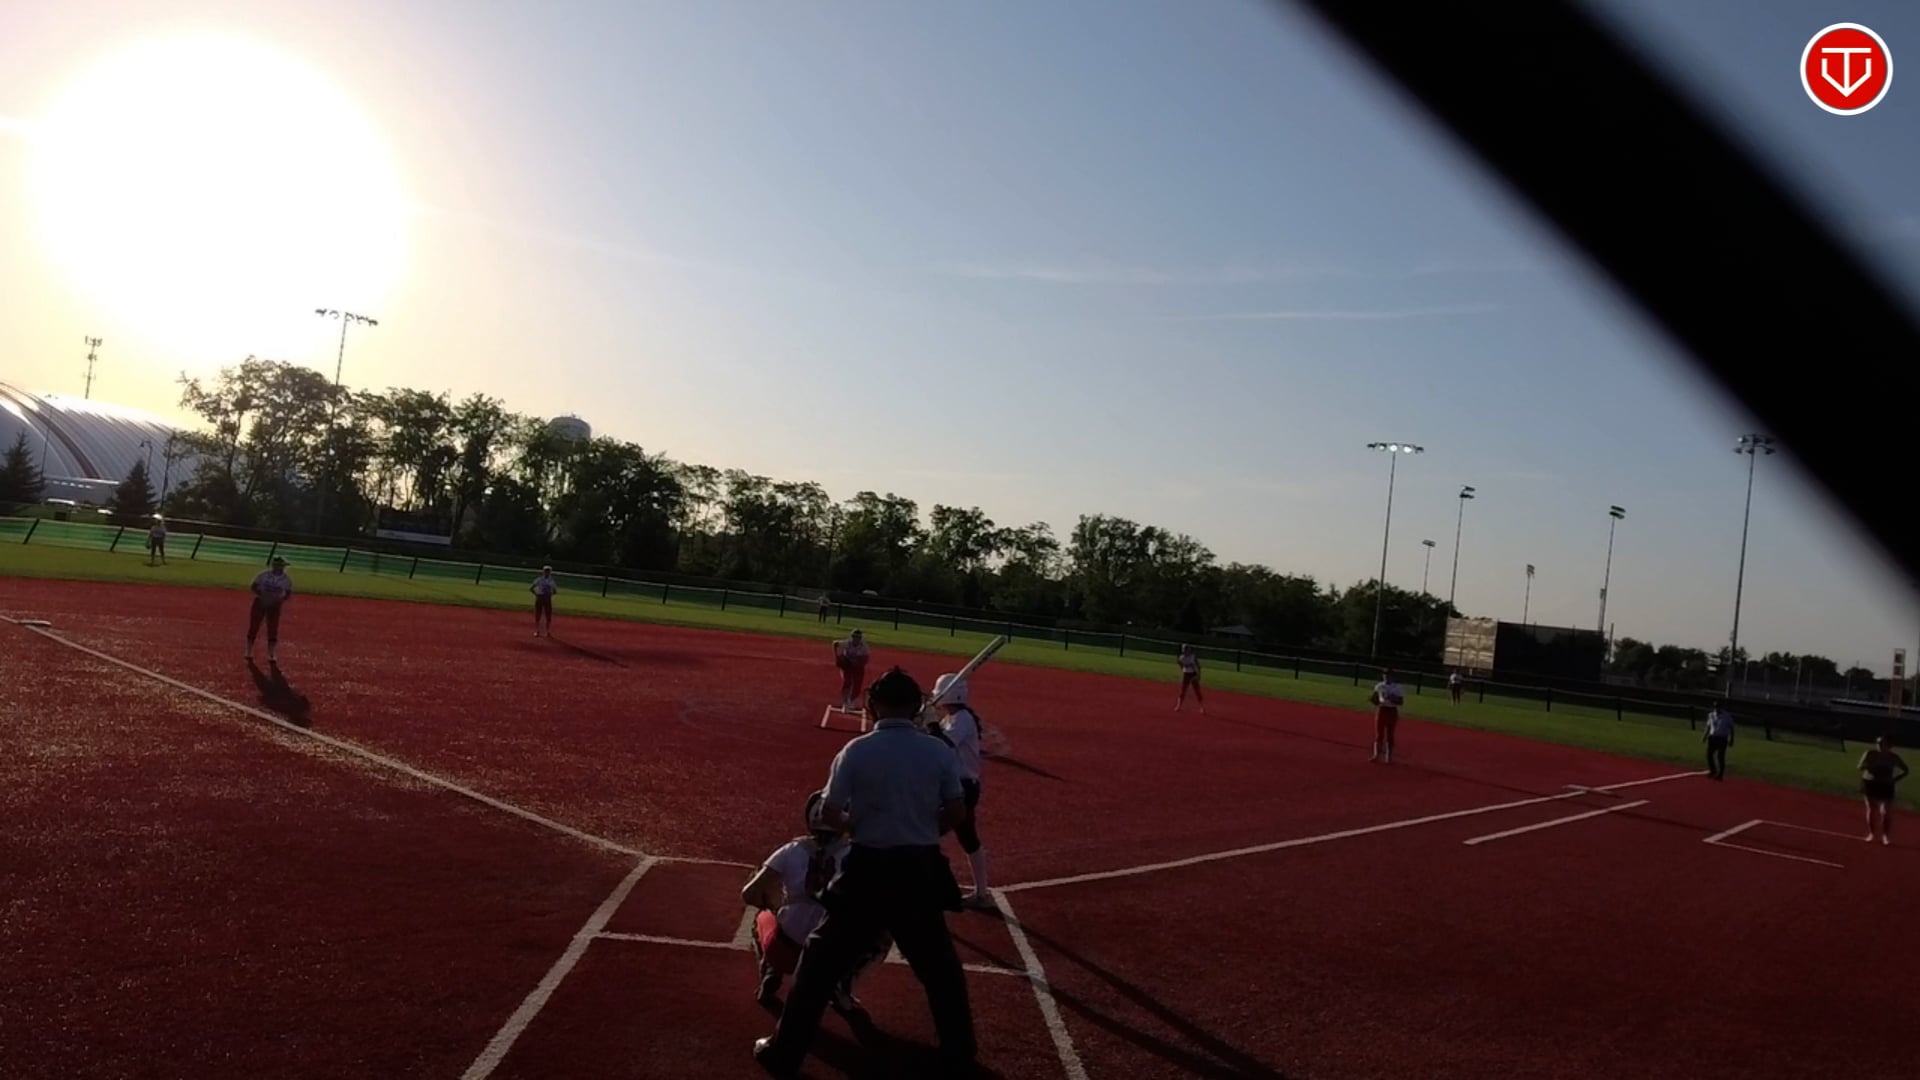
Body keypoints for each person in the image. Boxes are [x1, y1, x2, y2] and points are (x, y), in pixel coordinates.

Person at [754, 667, 975, 1078]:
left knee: (819, 964)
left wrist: (857, 826)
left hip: (868, 868)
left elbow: (830, 813)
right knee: (940, 970)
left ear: (873, 706)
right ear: (916, 706)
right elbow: (957, 812)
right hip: (920, 868)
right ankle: (959, 1057)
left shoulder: (856, 751)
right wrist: (923, 828)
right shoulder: (937, 752)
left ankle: (784, 1052)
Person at [739, 791, 887, 1014]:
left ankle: (771, 970)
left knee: (760, 917)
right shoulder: (857, 855)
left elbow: (749, 894)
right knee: (882, 934)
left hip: (786, 951)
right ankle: (843, 983)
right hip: (831, 957)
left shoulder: (790, 850)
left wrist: (776, 905)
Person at [930, 673, 993, 909]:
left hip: (963, 788)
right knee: (967, 837)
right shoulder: (952, 718)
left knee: (928, 832)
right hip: (956, 787)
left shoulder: (962, 720)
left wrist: (930, 723)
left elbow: (943, 744)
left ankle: (938, 887)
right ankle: (982, 893)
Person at [1859, 736, 1909, 845]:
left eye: (1882, 743)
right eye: (1878, 743)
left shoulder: (1893, 757)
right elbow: (1860, 767)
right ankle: (1872, 834)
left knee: (1886, 811)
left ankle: (1885, 836)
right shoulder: (1870, 754)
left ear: (1889, 745)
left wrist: (1895, 779)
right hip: (1871, 783)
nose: (1879, 746)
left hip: (1886, 785)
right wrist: (1869, 766)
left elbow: (1906, 770)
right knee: (1872, 809)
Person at [246, 556, 293, 663]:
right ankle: (249, 650)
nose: (280, 568)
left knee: (272, 628)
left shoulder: (286, 580)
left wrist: (279, 600)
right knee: (254, 625)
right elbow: (254, 586)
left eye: (282, 566)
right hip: (260, 602)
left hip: (275, 605)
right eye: (279, 565)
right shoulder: (263, 575)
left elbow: (288, 593)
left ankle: (271, 653)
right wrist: (262, 595)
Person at [1369, 668, 1404, 764]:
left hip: (1392, 711)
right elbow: (1375, 699)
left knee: (1390, 735)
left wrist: (1392, 698)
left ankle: (1388, 757)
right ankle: (1376, 755)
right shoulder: (1379, 686)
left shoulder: (1397, 687)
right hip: (1382, 710)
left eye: (1388, 675)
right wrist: (1373, 699)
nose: (1386, 677)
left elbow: (1400, 701)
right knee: (1379, 734)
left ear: (1392, 677)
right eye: (1384, 675)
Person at [832, 629, 870, 710]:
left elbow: (865, 660)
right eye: (854, 637)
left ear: (860, 638)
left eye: (858, 637)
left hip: (858, 665)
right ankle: (845, 702)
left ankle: (852, 700)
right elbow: (835, 643)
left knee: (857, 685)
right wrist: (837, 657)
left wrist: (857, 663)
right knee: (847, 681)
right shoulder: (847, 643)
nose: (855, 639)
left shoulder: (864, 647)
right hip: (847, 665)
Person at [1702, 701, 1735, 780]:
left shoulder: (1727, 716)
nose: (1716, 708)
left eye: (1717, 707)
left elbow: (1731, 728)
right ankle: (1713, 770)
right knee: (1709, 755)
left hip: (1722, 738)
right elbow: (1708, 726)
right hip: (1712, 737)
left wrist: (1731, 739)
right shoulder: (1711, 715)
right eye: (1715, 707)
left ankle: (1720, 774)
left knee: (1720, 756)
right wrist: (1704, 736)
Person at [1175, 645, 1205, 714]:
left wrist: (1199, 675)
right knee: (1182, 691)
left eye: (1186, 649)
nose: (1185, 651)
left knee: (1197, 691)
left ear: (1189, 650)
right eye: (1183, 649)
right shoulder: (1181, 657)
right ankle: (1178, 706)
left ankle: (1202, 707)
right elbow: (1181, 665)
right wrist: (1183, 669)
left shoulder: (1193, 656)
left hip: (1193, 674)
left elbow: (1198, 666)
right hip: (1186, 674)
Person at [530, 566, 557, 637]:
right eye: (546, 571)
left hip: (547, 598)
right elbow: (531, 588)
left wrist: (549, 595)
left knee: (548, 615)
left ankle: (547, 631)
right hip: (540, 597)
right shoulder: (539, 580)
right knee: (538, 614)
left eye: (548, 571)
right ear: (543, 571)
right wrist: (537, 594)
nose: (547, 572)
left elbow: (555, 591)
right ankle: (537, 630)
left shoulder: (551, 581)